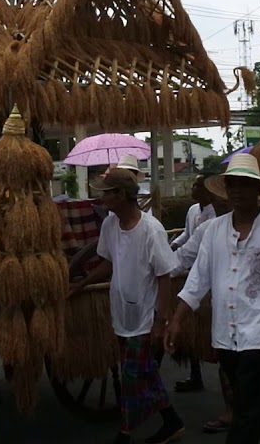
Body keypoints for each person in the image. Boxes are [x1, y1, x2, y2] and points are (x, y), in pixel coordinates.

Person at [166, 153, 260, 444]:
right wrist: (176, 320)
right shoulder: (214, 230)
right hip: (224, 332)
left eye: (244, 184)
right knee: (250, 399)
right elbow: (197, 279)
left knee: (243, 408)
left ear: (258, 189)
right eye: (232, 185)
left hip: (259, 331)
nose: (238, 191)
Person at [74, 169, 184, 444]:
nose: (101, 199)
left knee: (134, 377)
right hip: (122, 313)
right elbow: (108, 263)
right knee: (141, 374)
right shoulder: (110, 225)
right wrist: (81, 283)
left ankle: (125, 432)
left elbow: (164, 276)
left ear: (121, 195)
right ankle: (171, 422)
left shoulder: (151, 230)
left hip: (146, 317)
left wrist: (161, 320)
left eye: (105, 193)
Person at [169, 173, 216, 394]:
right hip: (192, 273)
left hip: (210, 279)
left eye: (197, 185)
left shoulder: (215, 217)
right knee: (193, 329)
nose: (192, 188)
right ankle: (196, 375)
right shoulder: (193, 212)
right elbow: (189, 238)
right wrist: (172, 247)